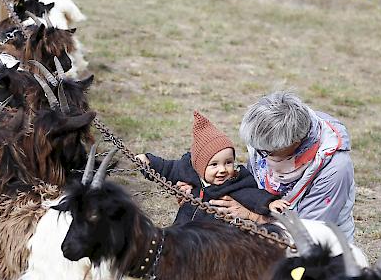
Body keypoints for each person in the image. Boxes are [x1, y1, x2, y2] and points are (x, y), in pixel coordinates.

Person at [209, 92, 356, 241]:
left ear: (295, 143)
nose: (260, 156)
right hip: (267, 235)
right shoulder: (268, 137)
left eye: (268, 152)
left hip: (319, 250)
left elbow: (310, 233)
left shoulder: (334, 168)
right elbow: (250, 184)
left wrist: (253, 217)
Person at [136, 111, 286, 225]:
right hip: (182, 230)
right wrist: (148, 161)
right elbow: (167, 168)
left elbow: (253, 196)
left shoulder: (234, 183)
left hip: (213, 240)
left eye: (228, 162)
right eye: (214, 164)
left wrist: (270, 203)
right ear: (199, 165)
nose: (222, 170)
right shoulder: (189, 171)